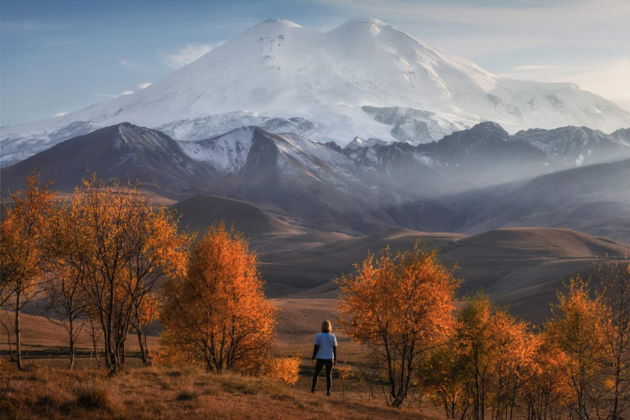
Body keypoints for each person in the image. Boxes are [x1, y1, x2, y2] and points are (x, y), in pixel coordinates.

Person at [311, 319, 337, 396]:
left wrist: (313, 358)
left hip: (320, 357)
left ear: (322, 326)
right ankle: (328, 392)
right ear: (330, 326)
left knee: (316, 374)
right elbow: (334, 349)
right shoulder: (332, 336)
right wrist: (335, 359)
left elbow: (316, 348)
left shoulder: (318, 336)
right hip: (329, 358)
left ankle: (313, 389)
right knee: (328, 375)